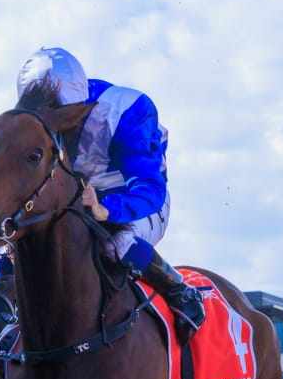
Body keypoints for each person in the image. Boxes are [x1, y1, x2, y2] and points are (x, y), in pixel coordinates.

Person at [15, 47, 204, 340]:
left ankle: (179, 291)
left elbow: (149, 189)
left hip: (132, 202)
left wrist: (105, 208)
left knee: (116, 243)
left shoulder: (127, 110)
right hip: (72, 203)